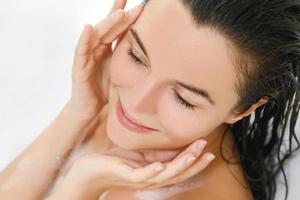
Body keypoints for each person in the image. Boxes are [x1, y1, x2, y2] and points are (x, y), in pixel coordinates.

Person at [0, 0, 299, 199]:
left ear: (243, 109)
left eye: (183, 98)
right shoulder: (118, 107)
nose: (137, 102)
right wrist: (78, 112)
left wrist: (81, 186)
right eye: (135, 55)